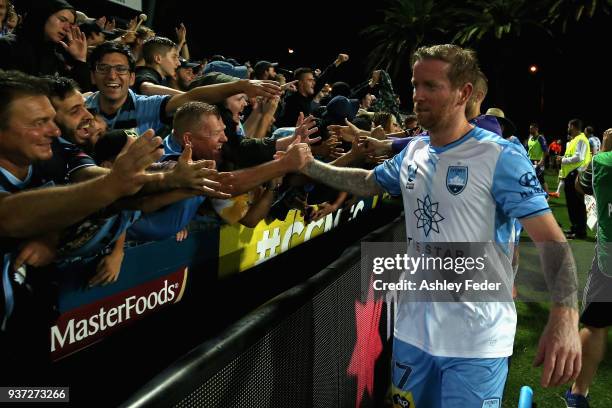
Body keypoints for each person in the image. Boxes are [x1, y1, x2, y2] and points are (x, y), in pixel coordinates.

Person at [292, 44, 581, 406]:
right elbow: (368, 181)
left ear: (464, 93)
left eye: (431, 86)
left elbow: (552, 241)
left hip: (476, 343)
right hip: (412, 335)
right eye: (415, 85)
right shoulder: (414, 152)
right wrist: (307, 166)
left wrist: (565, 318)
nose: (417, 96)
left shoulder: (500, 156)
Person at [85, 41, 281, 135]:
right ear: (93, 76)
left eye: (120, 69)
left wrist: (243, 85)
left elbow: (191, 97)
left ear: (131, 77)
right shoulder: (81, 107)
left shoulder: (147, 106)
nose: (112, 76)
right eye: (103, 68)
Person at [564, 128, 612, 408]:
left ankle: (578, 394)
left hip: (608, 262)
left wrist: (602, 151)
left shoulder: (603, 161)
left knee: (594, 326)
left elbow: (582, 186)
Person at [557, 119, 591, 239]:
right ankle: (575, 228)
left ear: (573, 126)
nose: (568, 128)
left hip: (575, 174)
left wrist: (563, 160)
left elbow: (579, 157)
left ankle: (580, 231)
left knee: (577, 204)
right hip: (571, 174)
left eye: (569, 126)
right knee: (572, 204)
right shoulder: (576, 139)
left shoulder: (580, 139)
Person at [527, 123, 549, 193]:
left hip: (538, 161)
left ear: (536, 129)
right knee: (530, 178)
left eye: (532, 128)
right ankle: (534, 194)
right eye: (530, 128)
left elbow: (545, 151)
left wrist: (541, 162)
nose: (530, 130)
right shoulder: (530, 138)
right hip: (530, 161)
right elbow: (529, 150)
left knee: (541, 179)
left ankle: (547, 195)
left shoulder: (540, 138)